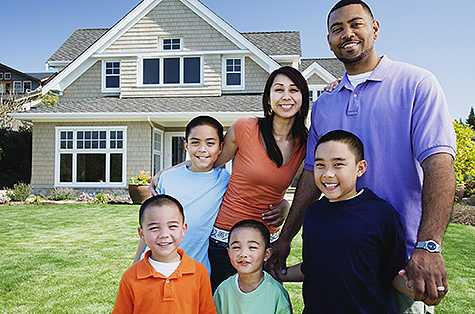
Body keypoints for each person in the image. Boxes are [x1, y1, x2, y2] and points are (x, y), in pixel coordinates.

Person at [270, 1, 456, 312]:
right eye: (336, 29)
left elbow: (438, 164)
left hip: (404, 264)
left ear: (375, 28)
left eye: (356, 24)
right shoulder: (326, 103)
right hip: (341, 263)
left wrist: (429, 245)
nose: (347, 33)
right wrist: (286, 238)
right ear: (329, 39)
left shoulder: (417, 83)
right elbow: (310, 174)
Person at [281, 130, 415, 313]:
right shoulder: (313, 212)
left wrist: (419, 289)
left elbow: (393, 273)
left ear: (360, 168)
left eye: (338, 165)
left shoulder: (381, 214)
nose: (327, 174)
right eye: (320, 165)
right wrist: (277, 273)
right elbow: (312, 267)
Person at [209, 66, 309, 290]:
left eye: (293, 90)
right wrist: (168, 175)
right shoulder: (245, 127)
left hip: (267, 242)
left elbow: (308, 187)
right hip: (227, 237)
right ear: (268, 98)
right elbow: (208, 165)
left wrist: (285, 204)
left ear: (303, 97)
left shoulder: (306, 143)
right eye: (278, 89)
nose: (286, 96)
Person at [134, 116, 230, 273]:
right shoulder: (167, 178)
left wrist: (284, 205)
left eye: (210, 143)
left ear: (221, 147)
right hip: (156, 267)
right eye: (195, 142)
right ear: (186, 145)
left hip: (195, 271)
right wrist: (136, 260)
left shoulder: (224, 180)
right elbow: (150, 223)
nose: (202, 149)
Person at [112, 195, 215, 314]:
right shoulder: (131, 277)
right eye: (154, 228)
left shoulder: (199, 272)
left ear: (183, 229)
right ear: (142, 234)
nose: (164, 234)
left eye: (172, 226)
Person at [214, 219, 292, 314]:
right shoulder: (223, 290)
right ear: (228, 252)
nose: (243, 254)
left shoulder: (276, 293)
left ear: (266, 254)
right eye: (236, 247)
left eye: (252, 247)